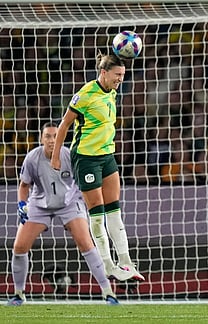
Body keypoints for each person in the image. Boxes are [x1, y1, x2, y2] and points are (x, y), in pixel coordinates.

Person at [51, 52, 144, 282]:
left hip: (107, 156)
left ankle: (125, 261)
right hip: (86, 158)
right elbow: (64, 125)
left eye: (123, 75)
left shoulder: (111, 92)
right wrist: (55, 156)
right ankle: (107, 264)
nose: (120, 79)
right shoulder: (85, 95)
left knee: (114, 210)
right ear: (103, 73)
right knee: (97, 212)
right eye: (117, 75)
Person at [7, 122, 119, 306]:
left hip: (69, 203)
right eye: (48, 136)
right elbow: (24, 186)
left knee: (86, 243)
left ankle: (108, 292)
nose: (52, 140)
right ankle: (19, 294)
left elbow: (84, 181)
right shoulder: (32, 158)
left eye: (55, 136)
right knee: (19, 247)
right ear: (42, 139)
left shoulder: (70, 156)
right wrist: (21, 204)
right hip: (40, 204)